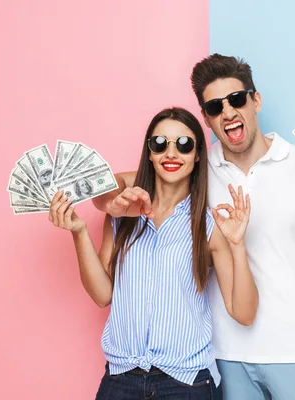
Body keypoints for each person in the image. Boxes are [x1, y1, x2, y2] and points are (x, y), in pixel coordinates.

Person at [95, 54, 295, 400]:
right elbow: (110, 186)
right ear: (206, 120)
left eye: (237, 99)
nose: (227, 112)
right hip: (225, 358)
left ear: (255, 101)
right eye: (214, 107)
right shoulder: (194, 168)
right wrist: (108, 206)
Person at [51, 107, 258, 399]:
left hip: (186, 383)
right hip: (121, 380)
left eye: (184, 145)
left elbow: (244, 312)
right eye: (160, 144)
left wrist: (237, 245)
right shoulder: (122, 214)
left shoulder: (209, 226)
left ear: (198, 155)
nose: (171, 153)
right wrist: (79, 232)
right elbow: (102, 295)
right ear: (149, 152)